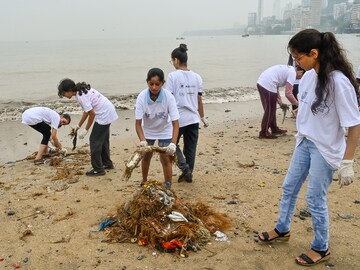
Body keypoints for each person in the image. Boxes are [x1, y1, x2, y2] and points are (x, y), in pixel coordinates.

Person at [258, 29, 360, 267]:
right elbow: (303, 107)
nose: (296, 63)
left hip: (325, 150)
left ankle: (321, 247)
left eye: (298, 57)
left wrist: (348, 162)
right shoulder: (308, 77)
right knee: (289, 187)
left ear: (314, 53)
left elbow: (354, 126)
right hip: (304, 142)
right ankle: (282, 228)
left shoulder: (338, 83)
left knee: (315, 198)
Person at [57, 79, 118, 176]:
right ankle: (107, 164)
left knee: (94, 140)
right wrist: (78, 125)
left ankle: (98, 169)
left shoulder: (81, 96)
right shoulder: (81, 91)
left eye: (64, 93)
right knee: (103, 139)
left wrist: (85, 130)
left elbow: (92, 114)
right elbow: (87, 110)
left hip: (104, 114)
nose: (64, 95)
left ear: (69, 90)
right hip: (108, 110)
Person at [166, 43, 208, 183]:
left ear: (176, 60)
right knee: (190, 149)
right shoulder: (197, 77)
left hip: (178, 119)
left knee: (170, 144)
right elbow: (199, 100)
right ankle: (188, 173)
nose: (172, 63)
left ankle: (185, 169)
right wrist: (203, 117)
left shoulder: (173, 76)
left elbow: (169, 98)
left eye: (172, 61)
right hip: (193, 118)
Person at [135, 68, 179, 188]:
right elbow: (138, 123)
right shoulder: (142, 97)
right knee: (146, 156)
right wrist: (143, 140)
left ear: (163, 83)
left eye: (157, 84)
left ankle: (168, 185)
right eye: (151, 84)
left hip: (165, 129)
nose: (154, 87)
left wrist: (173, 144)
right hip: (147, 130)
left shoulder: (168, 97)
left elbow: (176, 123)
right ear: (147, 82)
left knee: (165, 159)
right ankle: (144, 181)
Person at [257, 64, 298, 139]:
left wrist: (280, 102)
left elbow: (276, 87)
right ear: (301, 72)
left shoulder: (289, 70)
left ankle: (274, 128)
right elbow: (288, 93)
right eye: (302, 76)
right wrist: (298, 104)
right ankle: (263, 132)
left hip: (262, 82)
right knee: (270, 109)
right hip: (267, 84)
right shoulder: (293, 73)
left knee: (271, 108)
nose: (300, 78)